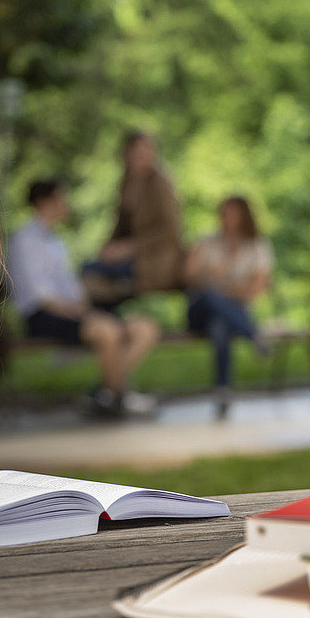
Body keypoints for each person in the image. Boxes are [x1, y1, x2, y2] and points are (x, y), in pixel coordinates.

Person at [7, 179, 160, 416]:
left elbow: (71, 287)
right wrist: (81, 311)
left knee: (145, 328)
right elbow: (41, 296)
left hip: (74, 309)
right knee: (107, 331)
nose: (65, 204)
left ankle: (106, 395)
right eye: (60, 198)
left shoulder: (56, 240)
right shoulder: (24, 240)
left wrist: (86, 305)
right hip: (42, 315)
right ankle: (118, 397)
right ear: (44, 202)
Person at [184, 196, 273, 416]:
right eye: (223, 213)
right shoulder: (205, 242)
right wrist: (215, 280)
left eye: (232, 213)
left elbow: (255, 290)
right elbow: (187, 277)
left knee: (220, 326)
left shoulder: (257, 246)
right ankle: (253, 335)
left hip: (232, 314)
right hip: (199, 311)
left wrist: (222, 281)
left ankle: (222, 390)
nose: (226, 219)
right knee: (211, 296)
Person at [81, 131, 184, 307]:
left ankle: (107, 327)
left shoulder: (160, 182)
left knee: (90, 273)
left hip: (154, 261)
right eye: (138, 150)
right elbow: (121, 225)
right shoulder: (126, 181)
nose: (142, 156)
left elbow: (169, 230)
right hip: (132, 258)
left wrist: (129, 248)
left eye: (147, 150)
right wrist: (109, 248)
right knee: (89, 274)